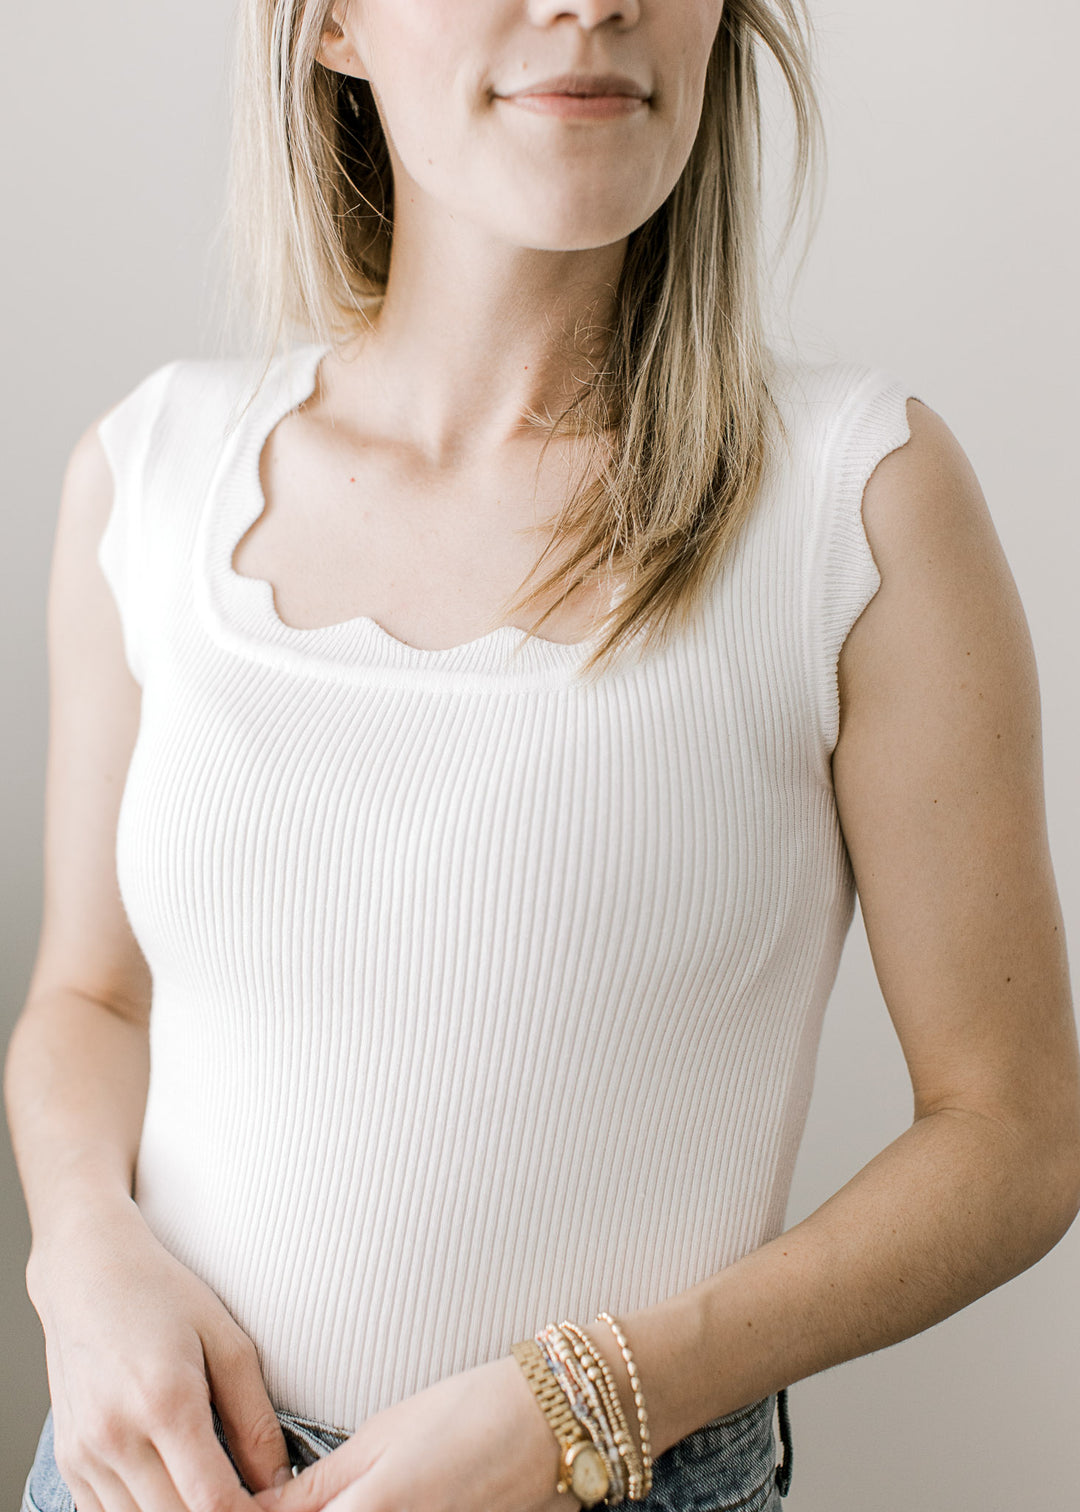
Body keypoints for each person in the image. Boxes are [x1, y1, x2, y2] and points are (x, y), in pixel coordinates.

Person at [6, 1, 1079, 1510]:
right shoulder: (150, 476)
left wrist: (589, 1402)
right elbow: (91, 995)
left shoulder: (858, 502)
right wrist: (80, 1254)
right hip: (146, 1469)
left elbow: (1016, 1136)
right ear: (331, 27)